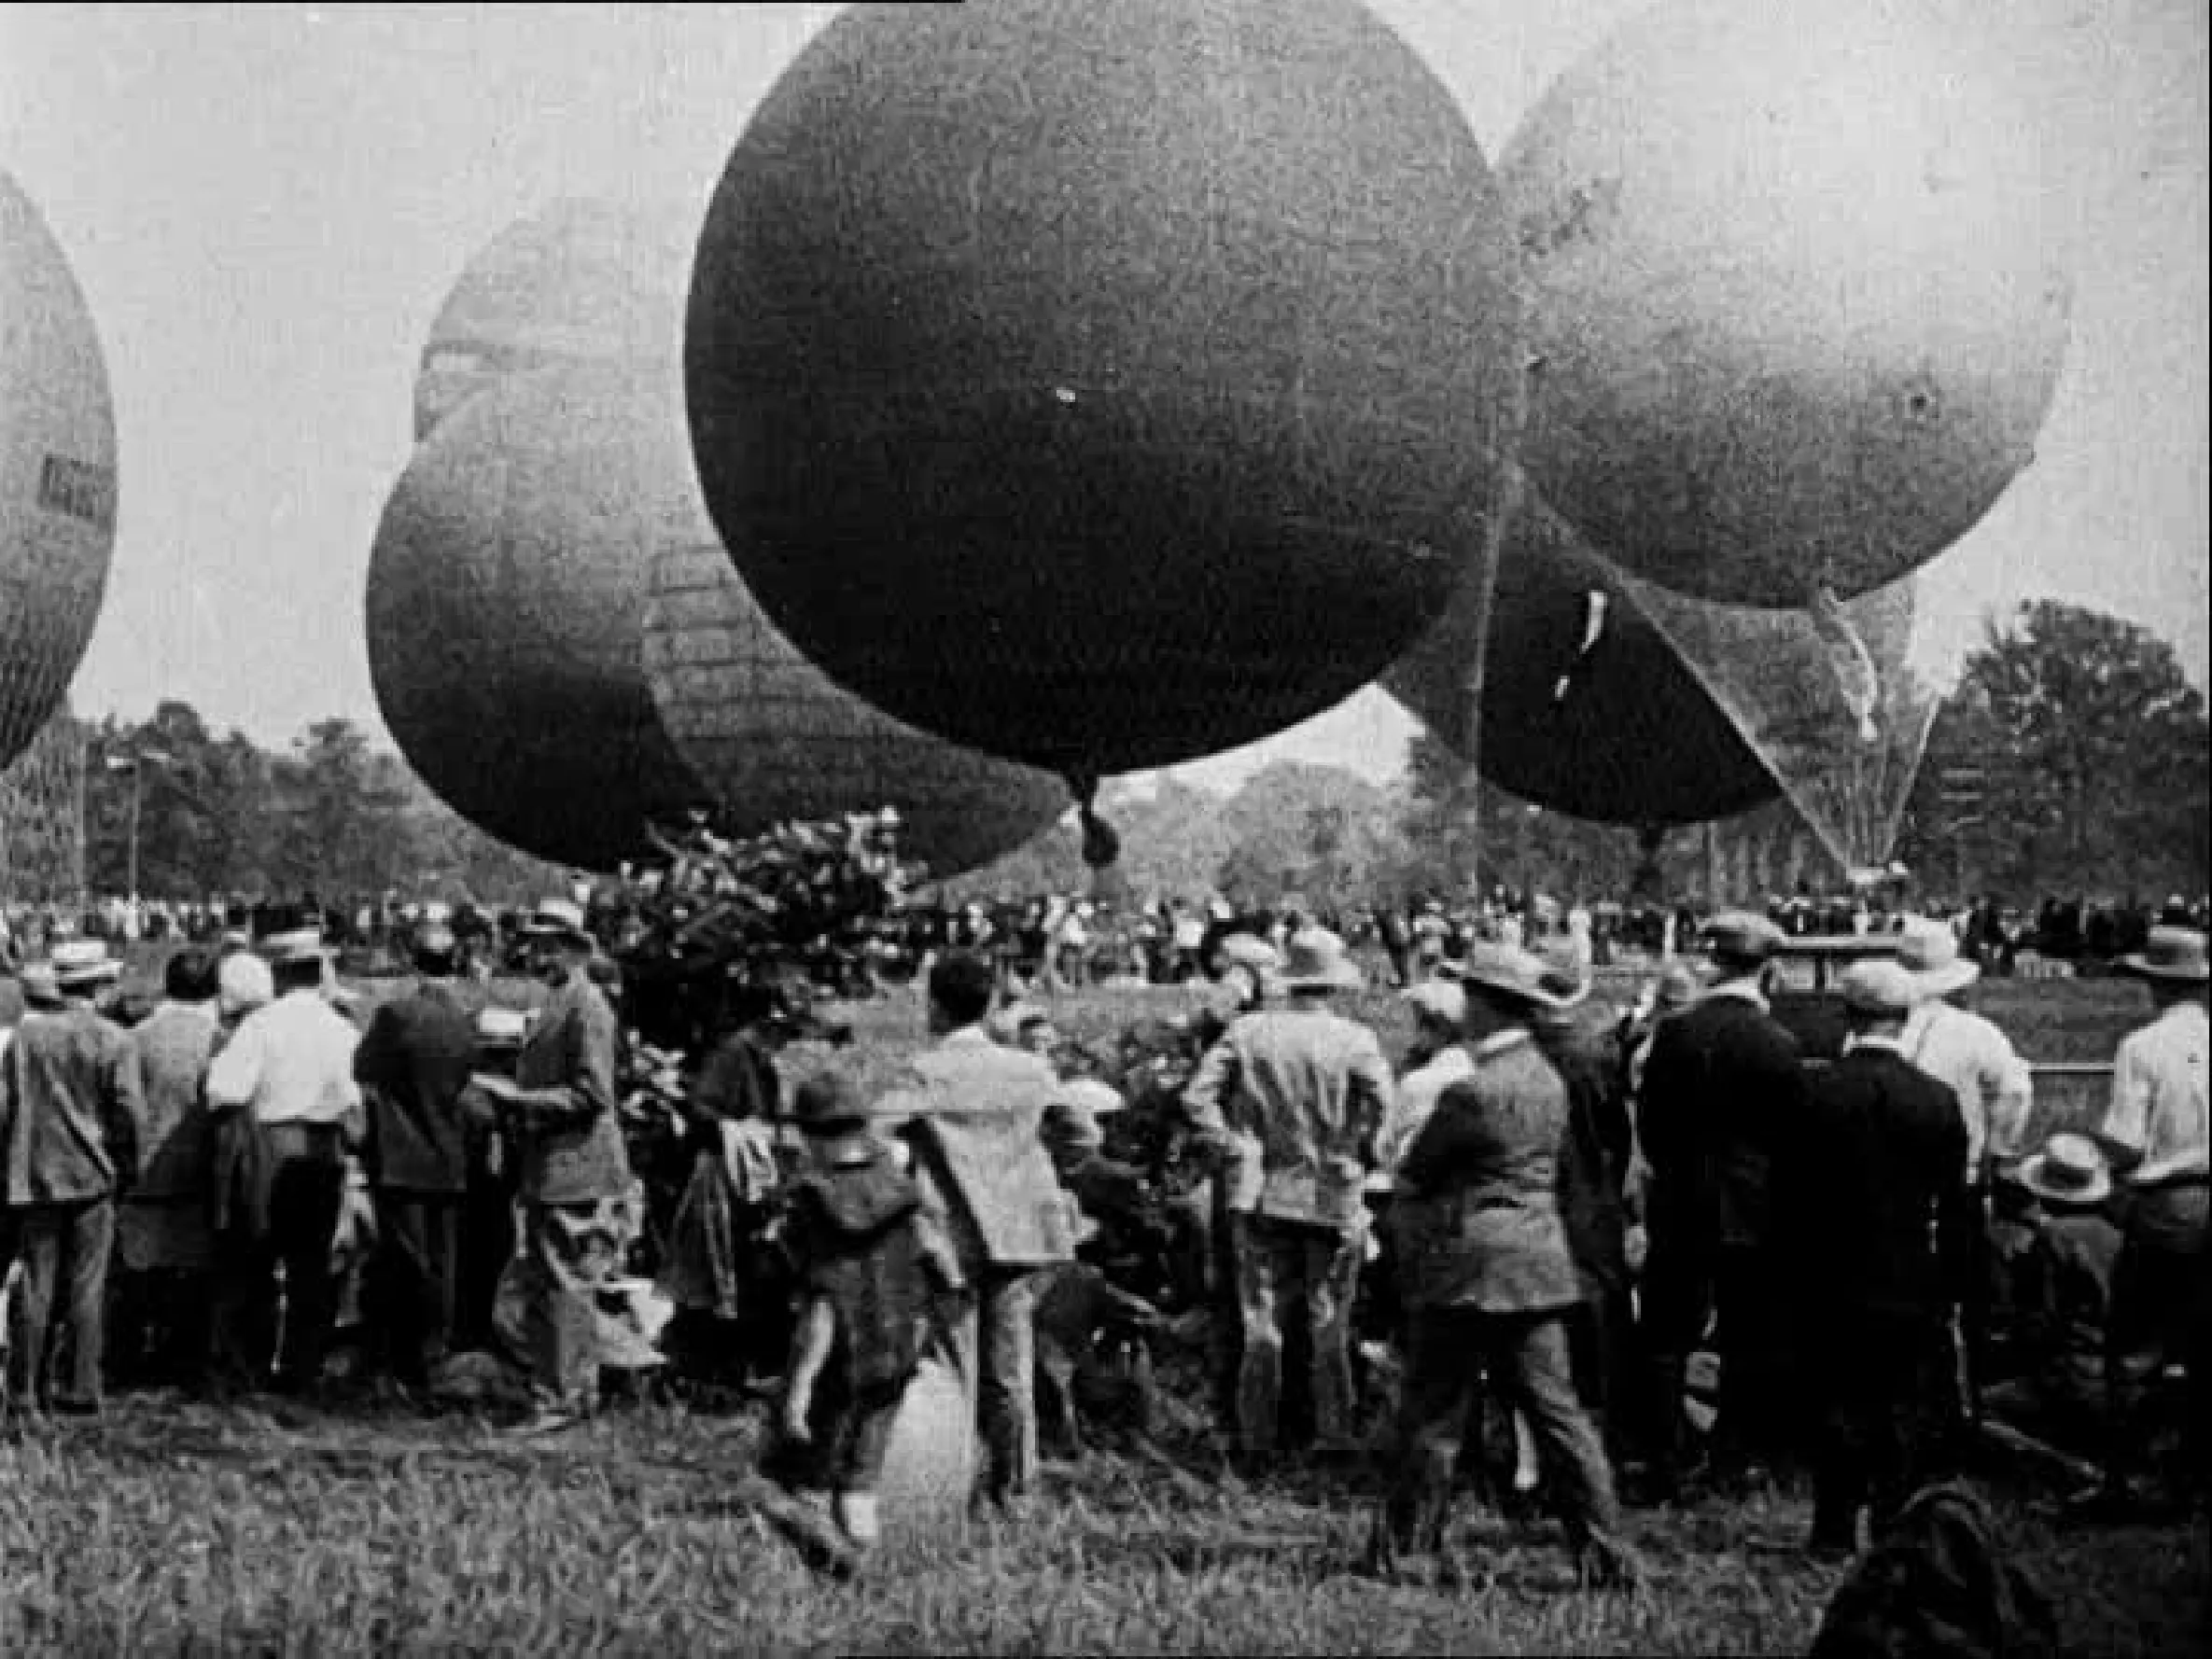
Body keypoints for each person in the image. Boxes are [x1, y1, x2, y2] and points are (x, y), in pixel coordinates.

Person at [1369, 942, 1638, 1587]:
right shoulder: (1545, 1078)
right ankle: (1606, 1555)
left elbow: (1417, 1170)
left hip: (1467, 1264)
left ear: (1487, 1005)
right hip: (1538, 1261)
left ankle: (1409, 1549)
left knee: (1434, 1413)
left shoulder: (1472, 1091)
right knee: (1559, 1416)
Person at [1774, 960, 1970, 1557]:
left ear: (1848, 1016)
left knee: (1835, 1401)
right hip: (1909, 1272)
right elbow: (1956, 1206)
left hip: (1829, 1272)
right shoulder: (1937, 1099)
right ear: (1906, 1018)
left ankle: (1833, 1525)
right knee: (1901, 1406)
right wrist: (1952, 1282)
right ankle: (1895, 1523)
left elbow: (1787, 1194)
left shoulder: (1815, 1093)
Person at [877, 951, 1076, 1514]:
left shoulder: (926, 1071)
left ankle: (956, 1486)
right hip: (1022, 1230)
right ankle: (1015, 1490)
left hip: (951, 1236)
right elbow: (1079, 1131)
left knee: (956, 1367)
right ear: (991, 1004)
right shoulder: (1029, 1070)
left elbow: (875, 1137)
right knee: (1012, 1369)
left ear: (935, 1007)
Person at [1183, 927, 1392, 1457]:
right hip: (1329, 1186)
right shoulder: (1355, 1040)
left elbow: (1196, 1098)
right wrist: (1361, 1151)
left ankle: (1257, 1434)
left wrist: (1232, 1144)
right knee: (1329, 1318)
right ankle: (1333, 1433)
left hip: (1258, 1186)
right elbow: (1385, 1115)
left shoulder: (1249, 1032)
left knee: (1261, 1318)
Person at [1636, 910, 1805, 1498]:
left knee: (1666, 1335)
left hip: (1681, 1200)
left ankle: (1665, 1457)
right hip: (1752, 1210)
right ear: (1768, 970)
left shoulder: (1676, 1034)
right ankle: (1732, 1458)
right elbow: (1790, 1137)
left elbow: (1651, 1123)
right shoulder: (1779, 1044)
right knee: (1746, 1335)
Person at [469, 899, 630, 1435]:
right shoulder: (560, 1002)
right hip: (553, 1166)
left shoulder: (587, 1008)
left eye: (548, 946)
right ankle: (565, 1390)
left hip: (575, 1167)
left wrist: (516, 1100)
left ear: (574, 949)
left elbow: (593, 1095)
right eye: (535, 945)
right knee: (552, 1281)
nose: (538, 956)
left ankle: (562, 1397)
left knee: (564, 1283)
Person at [773, 1070, 940, 1554]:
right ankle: (865, 1567)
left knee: (809, 1481)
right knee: (861, 1482)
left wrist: (800, 1383)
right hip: (896, 1349)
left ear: (809, 1135)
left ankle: (822, 1573)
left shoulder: (814, 1199)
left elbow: (825, 1299)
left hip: (839, 1357)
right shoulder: (900, 1188)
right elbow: (933, 1265)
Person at [204, 927, 365, 1396]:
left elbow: (224, 1090)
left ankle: (254, 1364)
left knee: (258, 1257)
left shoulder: (261, 1025)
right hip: (324, 1147)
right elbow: (355, 1098)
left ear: (280, 973)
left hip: (270, 1145)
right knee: (312, 1263)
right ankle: (303, 1367)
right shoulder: (343, 1029)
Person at [2082, 925, 2207, 1516]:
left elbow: (2128, 1141)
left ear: (2154, 983)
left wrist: (2098, 1154)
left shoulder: (2142, 1047)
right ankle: (2191, 1475)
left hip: (2169, 1204)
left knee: (2138, 1347)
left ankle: (2129, 1481)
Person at [1895, 915, 2035, 1434]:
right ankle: (1961, 1404)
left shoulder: (1880, 1031)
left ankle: (1911, 1402)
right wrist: (1997, 1149)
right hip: (1960, 1180)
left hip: (1892, 1185)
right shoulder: (1976, 1033)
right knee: (1961, 1296)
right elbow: (2015, 1092)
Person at [0, 944, 142, 1415]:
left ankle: (24, 1389)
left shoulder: (26, 1039)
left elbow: (6, 1104)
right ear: (99, 986)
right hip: (91, 1171)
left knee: (35, 1284)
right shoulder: (113, 1039)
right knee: (86, 1285)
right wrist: (127, 1164)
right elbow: (128, 1112)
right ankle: (80, 1386)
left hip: (33, 1172)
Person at [350, 921, 478, 1395]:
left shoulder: (397, 1014)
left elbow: (363, 1067)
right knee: (441, 1263)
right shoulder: (464, 1019)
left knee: (405, 1262)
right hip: (448, 1155)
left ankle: (403, 1362)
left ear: (413, 960)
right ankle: (434, 1356)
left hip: (403, 1155)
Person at [112, 945, 223, 1389]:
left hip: (143, 1170)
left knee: (139, 1273)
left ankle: (129, 1360)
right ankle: (185, 1361)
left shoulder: (136, 1037)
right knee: (193, 1274)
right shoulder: (219, 1038)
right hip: (199, 1172)